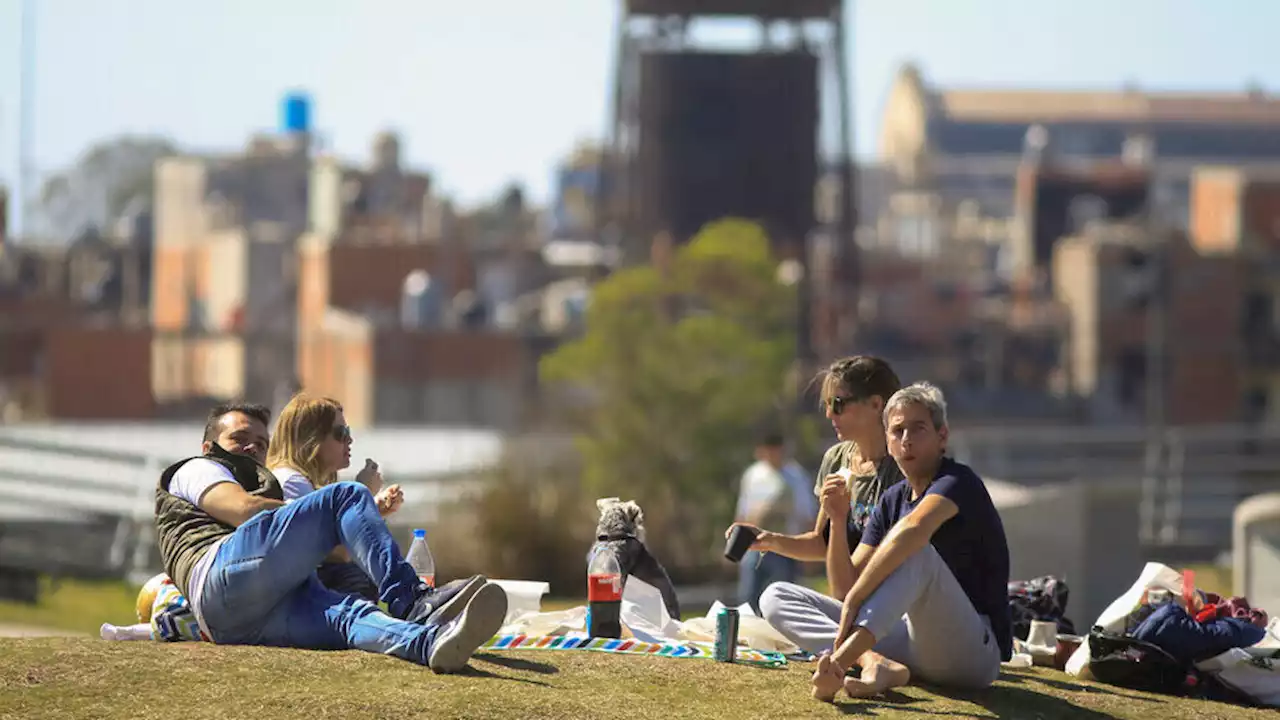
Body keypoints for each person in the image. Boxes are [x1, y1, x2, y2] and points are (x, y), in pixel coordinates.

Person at [154, 401, 506, 672]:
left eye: (261, 443)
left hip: (237, 624)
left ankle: (431, 643)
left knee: (349, 615)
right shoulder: (196, 469)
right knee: (348, 496)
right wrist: (327, 515)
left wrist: (320, 522)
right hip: (219, 575)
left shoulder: (264, 481)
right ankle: (414, 601)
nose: (252, 449)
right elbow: (244, 509)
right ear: (208, 446)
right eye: (239, 439)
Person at [809, 382, 1012, 702]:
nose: (906, 440)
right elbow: (845, 589)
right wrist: (837, 520)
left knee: (919, 555)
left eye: (917, 429)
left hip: (971, 653)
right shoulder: (891, 500)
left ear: (941, 436)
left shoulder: (958, 482)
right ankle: (876, 662)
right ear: (887, 441)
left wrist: (858, 596)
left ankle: (837, 664)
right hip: (908, 642)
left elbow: (914, 530)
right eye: (897, 430)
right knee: (778, 596)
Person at [725, 356, 904, 650]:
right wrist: (767, 539)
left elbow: (848, 586)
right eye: (826, 406)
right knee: (773, 597)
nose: (829, 414)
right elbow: (820, 544)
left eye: (838, 404)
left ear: (875, 404)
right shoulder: (837, 459)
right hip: (850, 606)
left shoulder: (901, 471)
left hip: (888, 608)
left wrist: (837, 518)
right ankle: (855, 652)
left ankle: (857, 653)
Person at [266, 393, 401, 602]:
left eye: (348, 431)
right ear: (311, 438)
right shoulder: (290, 482)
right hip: (297, 604)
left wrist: (373, 509)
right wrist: (360, 492)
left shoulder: (302, 481)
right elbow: (336, 552)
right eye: (340, 433)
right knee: (355, 572)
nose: (349, 439)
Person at [733, 429, 814, 614]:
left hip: (783, 547)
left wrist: (808, 553)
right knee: (748, 598)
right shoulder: (753, 475)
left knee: (780, 601)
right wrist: (736, 547)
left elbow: (807, 514)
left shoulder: (796, 477)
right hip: (753, 546)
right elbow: (743, 513)